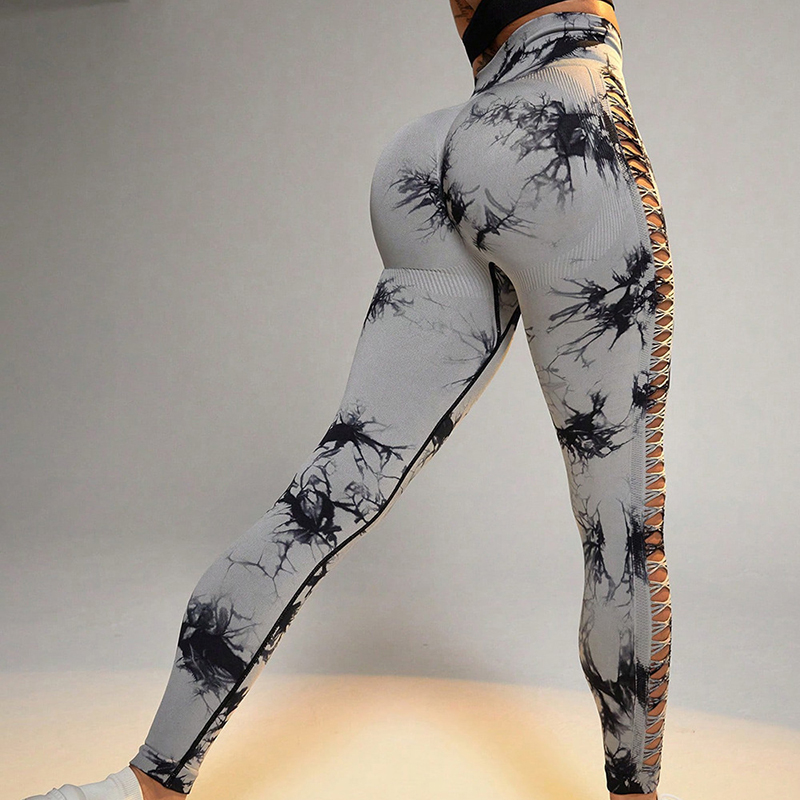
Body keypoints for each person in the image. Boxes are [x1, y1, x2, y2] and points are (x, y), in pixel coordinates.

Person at [24, 1, 677, 799]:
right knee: (620, 534)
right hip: (564, 127)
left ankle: (143, 782)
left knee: (323, 496)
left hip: (437, 148)